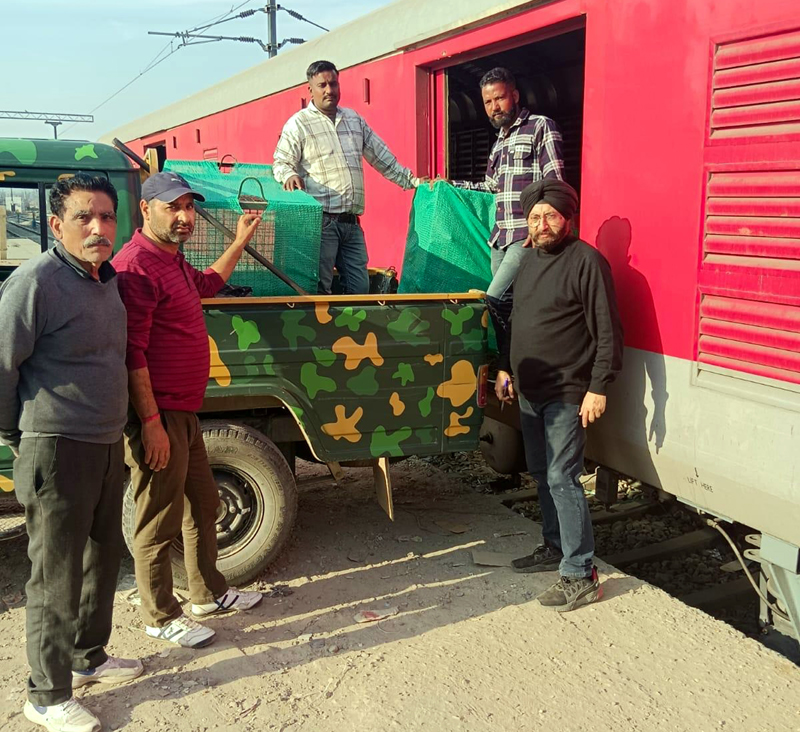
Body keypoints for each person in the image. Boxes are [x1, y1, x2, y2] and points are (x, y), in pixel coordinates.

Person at [0, 175, 142, 732]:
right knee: (55, 574)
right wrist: (17, 437)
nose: (98, 227)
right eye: (84, 216)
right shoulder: (36, 282)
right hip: (56, 448)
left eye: (106, 216)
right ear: (57, 224)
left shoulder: (107, 281)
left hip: (105, 443)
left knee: (102, 559)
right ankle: (46, 694)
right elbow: (3, 366)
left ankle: (88, 657)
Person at [113, 172, 262, 649]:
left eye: (189, 207)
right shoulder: (135, 267)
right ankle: (159, 615)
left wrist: (239, 240)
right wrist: (150, 423)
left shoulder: (171, 259)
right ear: (146, 209)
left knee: (204, 502)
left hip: (184, 414)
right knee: (158, 519)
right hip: (159, 416)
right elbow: (132, 353)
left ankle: (208, 594)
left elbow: (208, 284)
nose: (184, 217)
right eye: (172, 207)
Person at [496, 179, 623, 612]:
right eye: (535, 217)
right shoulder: (528, 261)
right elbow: (516, 320)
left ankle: (580, 574)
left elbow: (608, 330)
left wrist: (598, 387)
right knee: (540, 472)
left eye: (550, 215)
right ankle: (554, 546)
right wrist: (505, 368)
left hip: (568, 390)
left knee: (561, 478)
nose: (542, 224)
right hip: (528, 389)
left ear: (568, 217)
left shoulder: (587, 261)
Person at [273, 59, 424, 295]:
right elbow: (281, 162)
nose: (329, 90)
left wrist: (414, 182)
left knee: (359, 288)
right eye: (322, 85)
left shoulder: (354, 120)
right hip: (321, 224)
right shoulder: (298, 124)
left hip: (352, 225)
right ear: (310, 89)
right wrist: (289, 174)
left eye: (333, 84)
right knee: (320, 288)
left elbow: (383, 159)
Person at [451, 67, 564, 354]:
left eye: (499, 98)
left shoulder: (540, 126)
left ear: (514, 95)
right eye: (488, 102)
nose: (494, 107)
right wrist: (449, 184)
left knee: (493, 298)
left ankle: (509, 362)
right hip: (499, 239)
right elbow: (491, 186)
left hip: (524, 236)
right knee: (511, 304)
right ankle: (513, 365)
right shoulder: (499, 142)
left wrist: (540, 229)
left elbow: (554, 182)